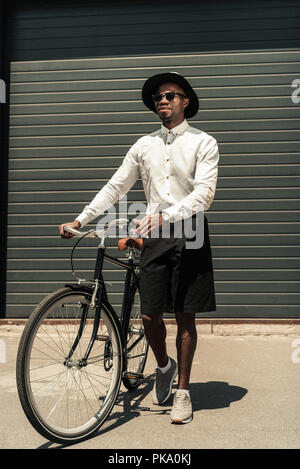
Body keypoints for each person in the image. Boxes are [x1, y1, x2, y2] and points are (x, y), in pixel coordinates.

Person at [59, 72, 219, 424]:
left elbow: (204, 194)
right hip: (156, 235)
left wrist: (165, 216)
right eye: (157, 97)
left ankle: (183, 392)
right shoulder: (143, 145)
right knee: (149, 315)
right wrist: (81, 220)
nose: (162, 100)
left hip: (189, 231)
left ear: (185, 100)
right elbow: (116, 186)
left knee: (184, 315)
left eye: (170, 95)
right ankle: (163, 365)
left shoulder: (203, 142)